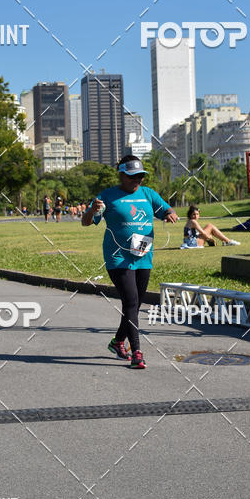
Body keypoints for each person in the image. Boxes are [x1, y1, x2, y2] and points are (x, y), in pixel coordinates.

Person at [82, 154, 178, 369]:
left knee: (134, 304)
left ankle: (117, 342)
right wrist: (92, 210)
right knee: (132, 302)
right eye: (132, 177)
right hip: (118, 257)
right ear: (122, 175)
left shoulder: (148, 194)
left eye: (140, 177)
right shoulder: (106, 196)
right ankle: (137, 353)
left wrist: (170, 213)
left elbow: (165, 208)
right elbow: (86, 222)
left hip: (143, 254)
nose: (137, 181)